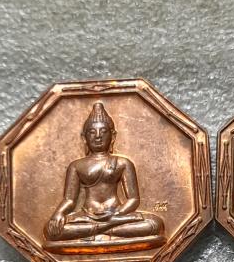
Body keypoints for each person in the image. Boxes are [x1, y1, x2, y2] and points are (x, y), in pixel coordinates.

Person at [44, 102, 164, 245]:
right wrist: (58, 213)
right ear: (84, 138)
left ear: (112, 136)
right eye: (92, 132)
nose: (98, 136)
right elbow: (69, 200)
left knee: (155, 224)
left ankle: (96, 231)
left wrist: (117, 214)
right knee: (50, 230)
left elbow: (133, 199)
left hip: (117, 214)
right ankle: (107, 230)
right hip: (87, 216)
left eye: (103, 131)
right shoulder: (76, 166)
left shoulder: (123, 163)